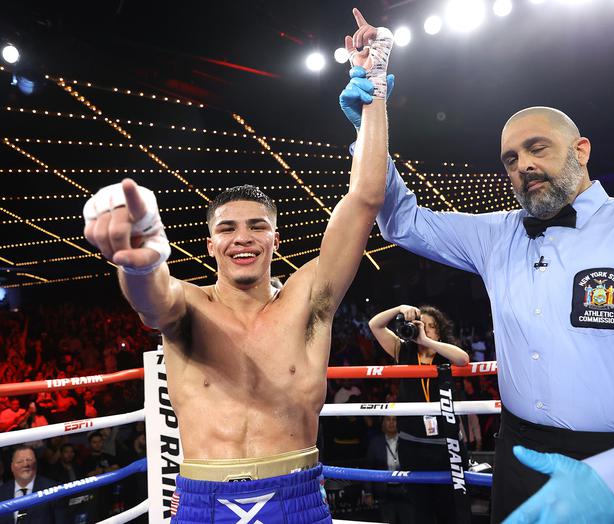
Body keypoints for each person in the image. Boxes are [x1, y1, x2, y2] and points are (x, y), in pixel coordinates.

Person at [341, 71, 614, 522]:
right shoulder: (496, 233)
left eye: (537, 148)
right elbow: (402, 222)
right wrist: (369, 130)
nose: (522, 164)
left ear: (581, 151)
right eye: (510, 158)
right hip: (519, 455)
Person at [81, 8, 392, 522]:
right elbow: (153, 300)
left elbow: (364, 199)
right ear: (210, 245)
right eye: (227, 229)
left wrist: (375, 89)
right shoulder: (188, 305)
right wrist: (141, 264)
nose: (241, 239)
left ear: (276, 238)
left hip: (296, 497)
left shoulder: (309, 298)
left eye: (255, 227)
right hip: (203, 503)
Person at [368, 304, 470, 523]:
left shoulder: (444, 353)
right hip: (413, 445)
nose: (425, 328)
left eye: (431, 326)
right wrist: (399, 308)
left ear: (440, 332)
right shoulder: (403, 350)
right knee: (420, 512)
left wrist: (427, 341)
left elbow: (463, 359)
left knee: (451, 512)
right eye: (421, 324)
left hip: (446, 445)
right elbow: (374, 325)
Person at [364, 416, 414, 524]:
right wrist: (368, 492)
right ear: (383, 423)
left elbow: (414, 464)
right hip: (384, 491)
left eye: (394, 420)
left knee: (409, 520)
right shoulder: (375, 442)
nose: (391, 423)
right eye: (388, 420)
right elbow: (369, 467)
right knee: (387, 520)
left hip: (405, 489)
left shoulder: (406, 440)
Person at [0, 445, 67, 524]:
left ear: (36, 464)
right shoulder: (2, 492)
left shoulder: (54, 489)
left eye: (29, 460)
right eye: (20, 461)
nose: (25, 464)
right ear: (12, 467)